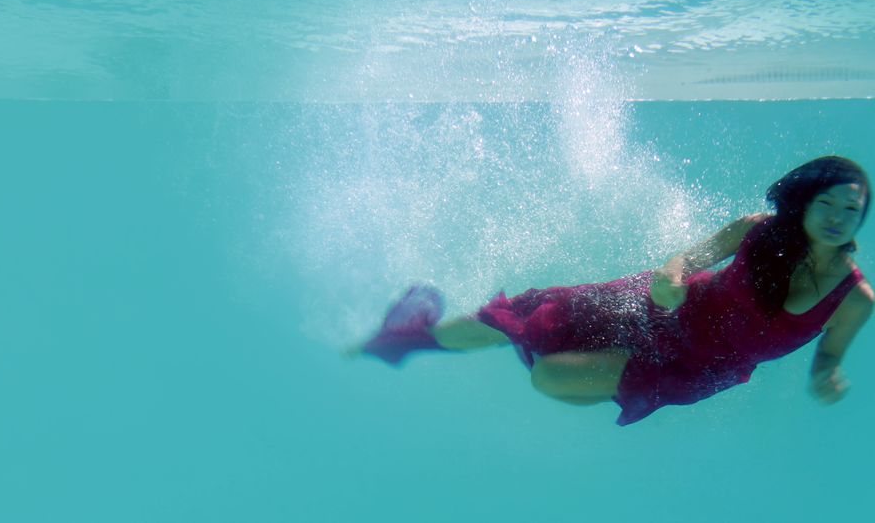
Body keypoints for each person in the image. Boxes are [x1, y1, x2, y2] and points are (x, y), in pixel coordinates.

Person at [349, 156, 874, 425]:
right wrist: (671, 277)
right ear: (804, 202)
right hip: (658, 305)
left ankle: (601, 373)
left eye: (851, 209)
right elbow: (690, 259)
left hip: (696, 365)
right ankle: (407, 341)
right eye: (828, 203)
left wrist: (828, 376)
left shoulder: (854, 298)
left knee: (550, 377)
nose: (838, 218)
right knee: (525, 317)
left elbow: (828, 354)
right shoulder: (757, 230)